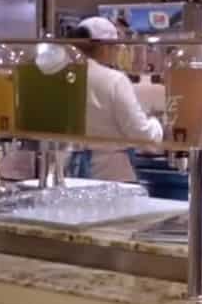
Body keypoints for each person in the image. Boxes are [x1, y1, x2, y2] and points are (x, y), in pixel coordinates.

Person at [67, 16, 162, 182]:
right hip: (111, 178)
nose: (118, 51)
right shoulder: (114, 80)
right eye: (116, 47)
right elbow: (142, 136)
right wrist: (157, 124)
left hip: (70, 175)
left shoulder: (63, 76)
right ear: (105, 47)